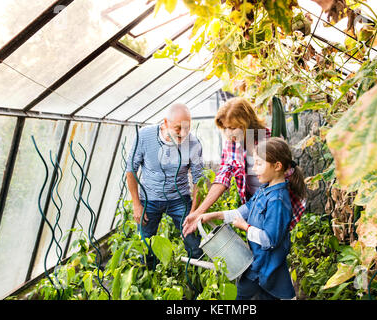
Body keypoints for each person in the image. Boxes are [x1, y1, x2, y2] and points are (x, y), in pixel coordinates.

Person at [182, 97, 306, 236]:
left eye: (232, 128)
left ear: (246, 122)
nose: (228, 133)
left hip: (274, 201)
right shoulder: (232, 143)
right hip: (254, 202)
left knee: (273, 239)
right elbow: (223, 177)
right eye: (225, 128)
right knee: (258, 241)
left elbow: (282, 176)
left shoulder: (270, 138)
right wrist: (199, 212)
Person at [199, 137, 305, 299]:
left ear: (277, 166)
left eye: (259, 164)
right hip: (257, 265)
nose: (254, 169)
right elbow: (242, 212)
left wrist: (245, 227)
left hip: (264, 268)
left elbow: (269, 240)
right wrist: (214, 215)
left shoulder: (277, 201)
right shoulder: (265, 190)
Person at [126, 103, 204, 266]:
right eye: (177, 128)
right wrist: (136, 204)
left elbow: (198, 180)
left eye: (187, 128)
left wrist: (194, 212)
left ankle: (196, 283)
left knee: (194, 244)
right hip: (149, 199)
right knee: (146, 247)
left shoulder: (193, 143)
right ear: (165, 123)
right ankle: (149, 279)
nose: (183, 133)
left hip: (179, 199)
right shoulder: (145, 136)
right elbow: (131, 170)